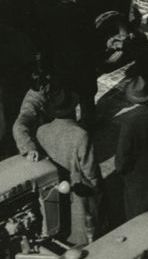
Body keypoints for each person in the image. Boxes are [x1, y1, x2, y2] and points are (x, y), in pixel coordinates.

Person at [34, 87, 100, 243]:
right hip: (77, 195)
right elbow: (90, 173)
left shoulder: (42, 131)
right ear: (74, 109)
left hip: (51, 193)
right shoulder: (80, 135)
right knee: (83, 236)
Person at [110, 75, 148, 222]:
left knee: (136, 215)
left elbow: (122, 158)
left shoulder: (130, 123)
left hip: (136, 176)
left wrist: (122, 170)